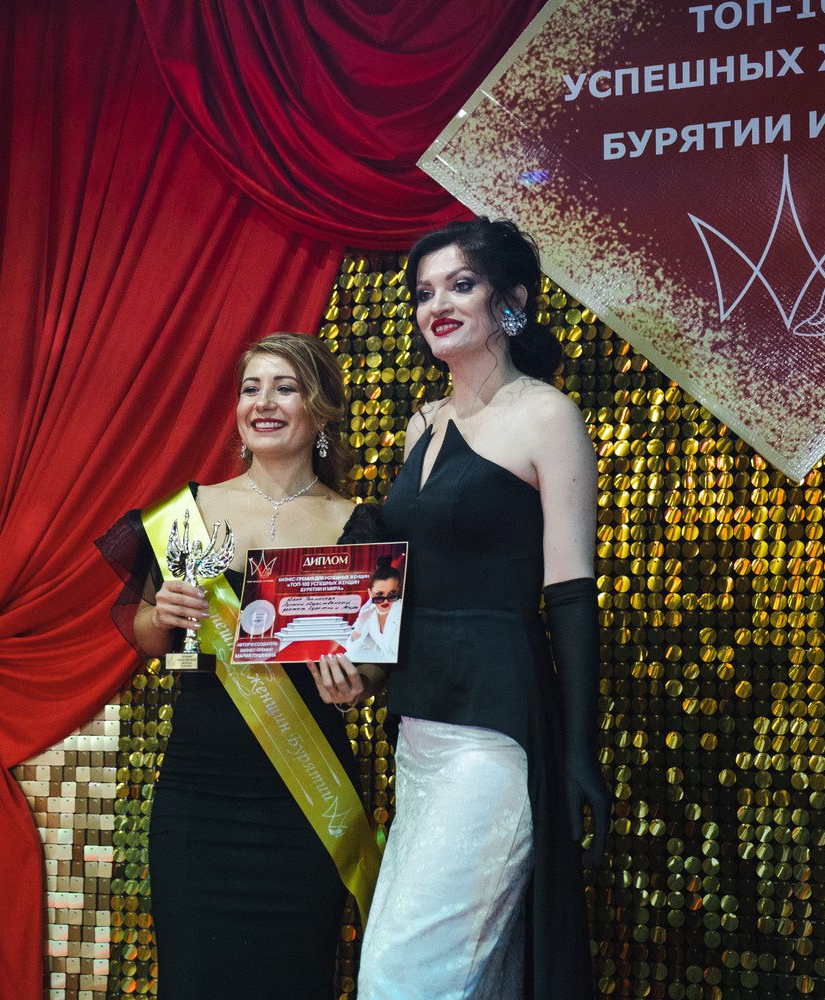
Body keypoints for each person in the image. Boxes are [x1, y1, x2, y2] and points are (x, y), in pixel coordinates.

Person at [354, 218, 610, 999]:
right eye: (424, 291)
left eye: (460, 285)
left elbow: (570, 591)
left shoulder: (547, 416)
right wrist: (356, 659)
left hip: (497, 731)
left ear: (511, 301)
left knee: (402, 978)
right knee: (476, 976)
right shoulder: (421, 426)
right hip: (419, 726)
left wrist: (579, 750)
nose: (437, 304)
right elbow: (405, 581)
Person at [96, 333, 384, 1000]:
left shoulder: (361, 525)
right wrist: (162, 614)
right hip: (198, 800)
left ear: (320, 408)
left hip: (305, 805)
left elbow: (375, 670)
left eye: (285, 387)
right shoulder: (188, 511)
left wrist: (356, 685)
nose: (263, 402)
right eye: (251, 388)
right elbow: (151, 636)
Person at [345, 555, 403, 661]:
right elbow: (351, 649)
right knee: (348, 656)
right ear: (370, 593)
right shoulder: (369, 612)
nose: (386, 601)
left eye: (392, 593)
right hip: (386, 661)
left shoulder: (401, 609)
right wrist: (360, 623)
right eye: (379, 594)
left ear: (398, 590)